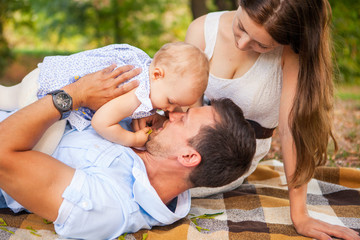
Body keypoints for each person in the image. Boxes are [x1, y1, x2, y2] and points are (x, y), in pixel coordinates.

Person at [0, 65, 256, 239]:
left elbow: (3, 155)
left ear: (188, 157)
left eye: (183, 119)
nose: (173, 113)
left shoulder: (112, 203)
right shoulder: (144, 136)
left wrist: (74, 95)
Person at [181, 0, 360, 239]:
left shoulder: (290, 53)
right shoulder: (201, 29)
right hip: (186, 144)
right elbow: (184, 117)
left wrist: (300, 216)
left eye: (261, 44)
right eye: (242, 27)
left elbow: (291, 130)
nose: (243, 44)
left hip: (227, 160)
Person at [0, 42, 209, 152]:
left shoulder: (142, 65)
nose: (171, 111)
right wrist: (131, 138)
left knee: (6, 97)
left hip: (40, 76)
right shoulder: (138, 92)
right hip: (50, 97)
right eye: (171, 102)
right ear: (157, 75)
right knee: (39, 150)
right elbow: (102, 122)